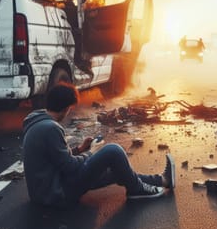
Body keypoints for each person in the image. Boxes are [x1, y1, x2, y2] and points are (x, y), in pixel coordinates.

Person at [22, 82, 175, 208]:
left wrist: (79, 149)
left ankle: (162, 180)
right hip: (56, 195)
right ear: (66, 108)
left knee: (116, 170)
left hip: (46, 191)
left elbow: (56, 159)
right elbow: (69, 166)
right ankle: (137, 190)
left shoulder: (38, 122)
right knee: (113, 150)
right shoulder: (51, 128)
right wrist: (91, 152)